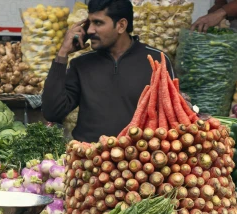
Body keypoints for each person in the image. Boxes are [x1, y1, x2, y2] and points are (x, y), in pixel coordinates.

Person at [41, 0, 174, 144]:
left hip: (140, 159)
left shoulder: (156, 61)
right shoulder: (81, 64)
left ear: (121, 25)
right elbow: (52, 112)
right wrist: (62, 54)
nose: (90, 30)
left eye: (98, 23)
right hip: (89, 159)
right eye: (89, 23)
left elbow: (172, 116)